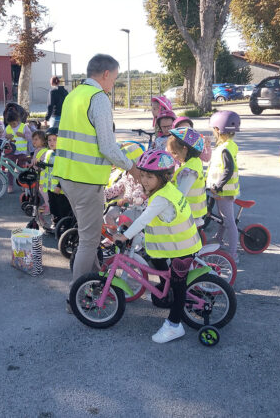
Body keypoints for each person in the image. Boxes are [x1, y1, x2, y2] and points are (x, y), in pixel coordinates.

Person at [52, 54, 140, 311]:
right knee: (89, 240)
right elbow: (107, 147)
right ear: (105, 74)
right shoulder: (98, 98)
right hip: (86, 179)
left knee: (88, 234)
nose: (114, 83)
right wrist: (133, 169)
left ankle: (96, 284)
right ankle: (76, 298)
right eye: (115, 78)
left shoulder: (74, 95)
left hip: (68, 176)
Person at [113, 150, 202, 343]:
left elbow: (144, 219)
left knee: (179, 286)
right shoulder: (164, 190)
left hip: (184, 247)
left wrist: (125, 236)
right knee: (155, 258)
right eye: (142, 175)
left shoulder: (161, 198)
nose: (144, 180)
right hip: (174, 245)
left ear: (163, 177)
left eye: (150, 177)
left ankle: (174, 325)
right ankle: (164, 291)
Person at [205, 110, 241, 263]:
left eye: (213, 129)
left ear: (218, 130)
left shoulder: (225, 148)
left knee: (229, 222)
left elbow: (228, 169)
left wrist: (218, 186)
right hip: (223, 190)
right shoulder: (228, 145)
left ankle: (233, 254)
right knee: (224, 218)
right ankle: (219, 239)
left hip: (224, 191)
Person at [167, 128, 207, 228]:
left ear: (185, 149)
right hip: (193, 213)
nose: (174, 157)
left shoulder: (189, 170)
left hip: (189, 215)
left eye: (175, 153)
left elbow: (181, 194)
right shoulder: (194, 162)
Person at [43, 127, 72, 227]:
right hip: (51, 186)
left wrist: (59, 186)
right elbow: (46, 166)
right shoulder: (49, 153)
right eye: (49, 140)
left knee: (63, 208)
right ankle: (55, 223)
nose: (51, 142)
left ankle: (66, 226)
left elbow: (65, 172)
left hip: (61, 189)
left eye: (54, 140)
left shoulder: (63, 154)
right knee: (53, 207)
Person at [4, 110, 31, 193]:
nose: (12, 125)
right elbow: (3, 138)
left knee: (22, 169)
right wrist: (6, 136)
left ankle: (23, 184)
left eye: (14, 123)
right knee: (10, 169)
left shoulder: (24, 126)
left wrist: (23, 135)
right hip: (11, 152)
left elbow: (29, 137)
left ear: (18, 120)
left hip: (22, 152)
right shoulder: (8, 128)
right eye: (10, 124)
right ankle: (10, 185)